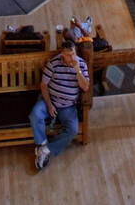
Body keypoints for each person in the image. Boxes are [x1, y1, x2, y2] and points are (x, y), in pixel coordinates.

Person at [30, 35, 90, 170]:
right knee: (35, 114)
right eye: (67, 55)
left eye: (72, 54)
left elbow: (85, 87)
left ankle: (45, 149)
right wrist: (49, 104)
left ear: (76, 52)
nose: (70, 58)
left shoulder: (81, 64)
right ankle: (42, 144)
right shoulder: (54, 63)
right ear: (62, 55)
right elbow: (43, 85)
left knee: (73, 130)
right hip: (49, 101)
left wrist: (77, 71)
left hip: (68, 106)